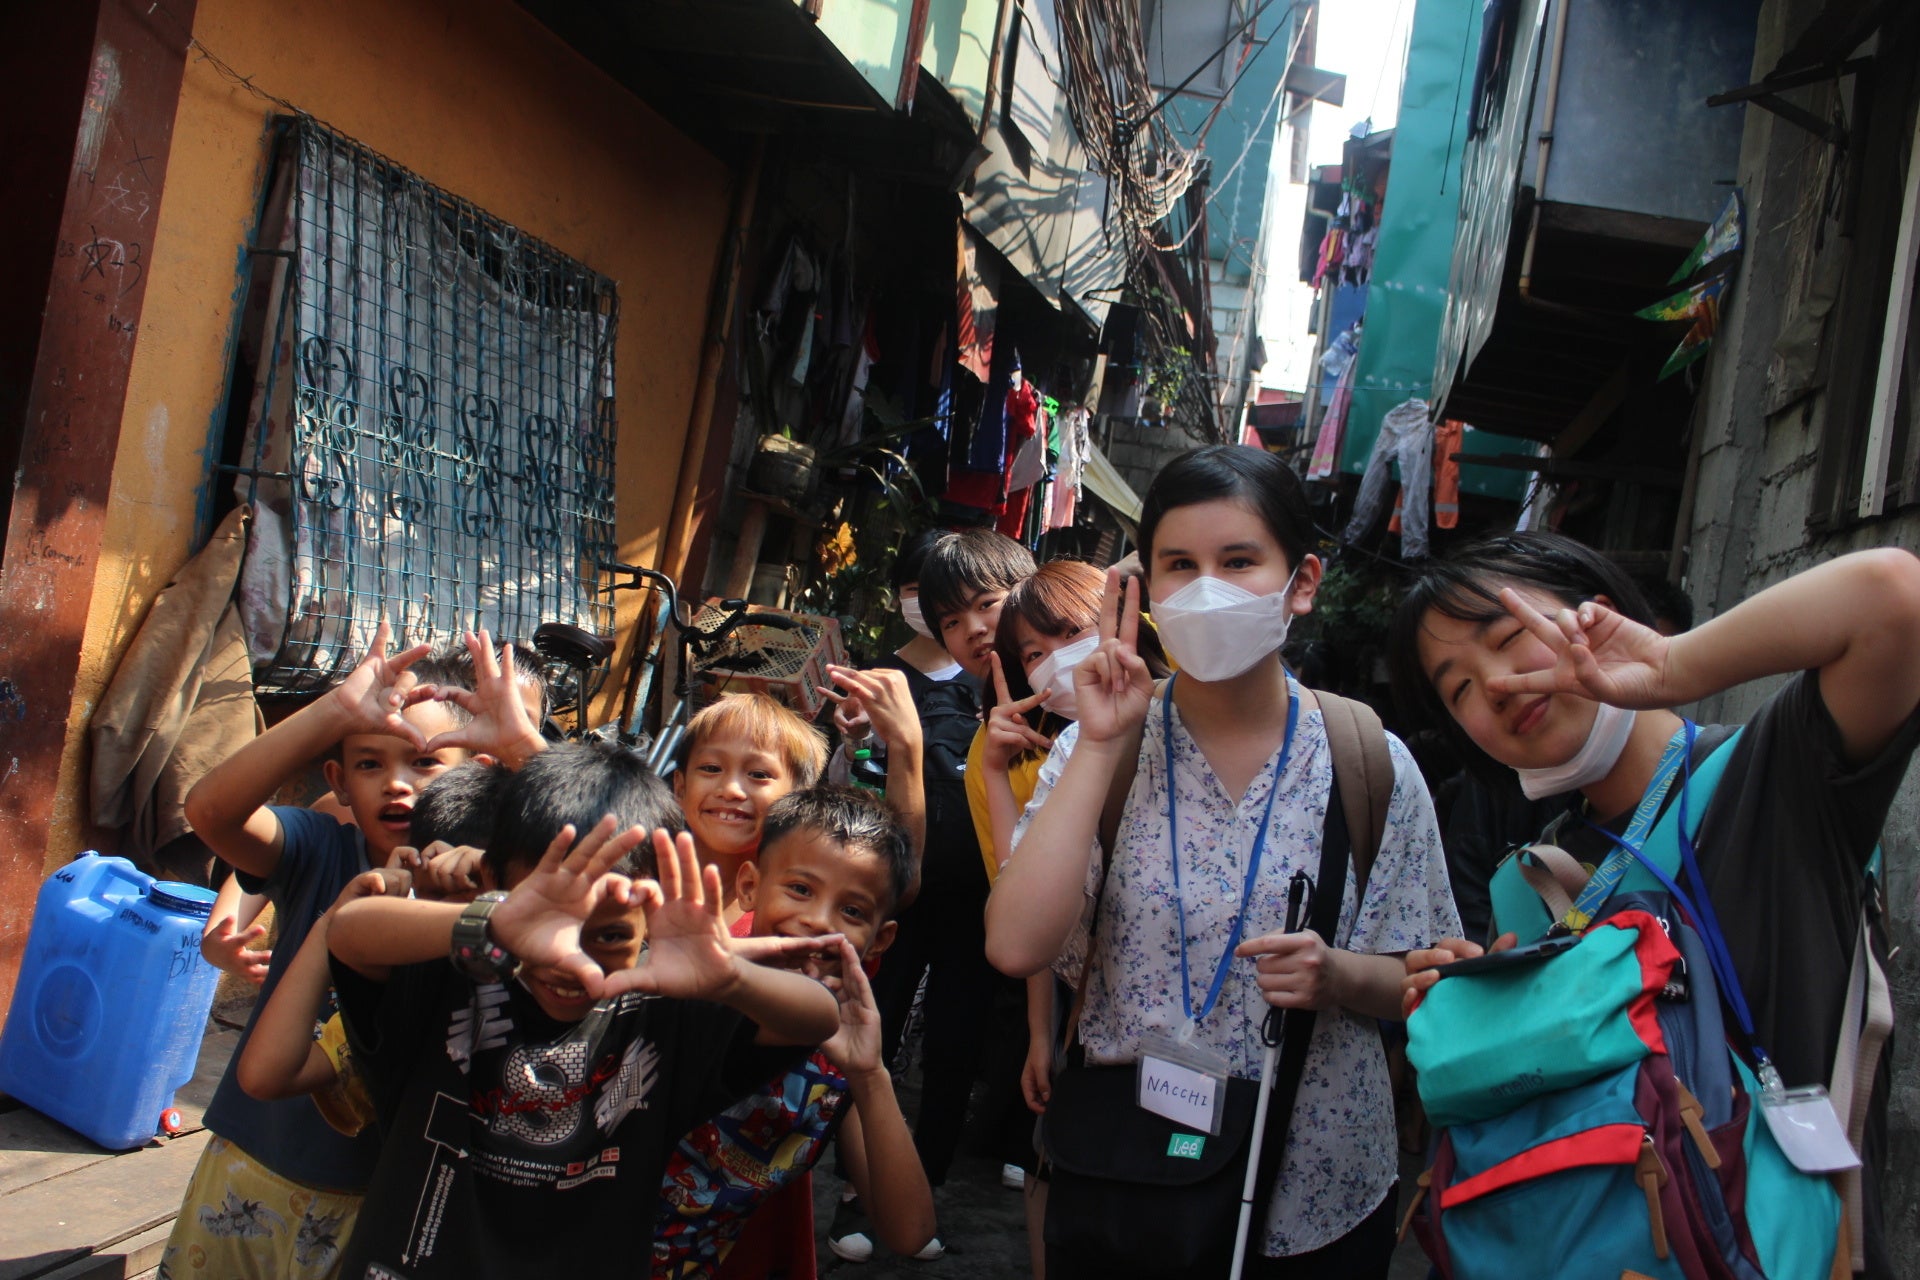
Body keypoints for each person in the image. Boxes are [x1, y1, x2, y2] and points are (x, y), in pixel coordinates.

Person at [1386, 531, 1920, 1279]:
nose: (1497, 686)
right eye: (1461, 689)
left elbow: (1895, 597)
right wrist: (1466, 1017)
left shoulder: (1777, 773)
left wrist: (1670, 665)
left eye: (1510, 639)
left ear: (1598, 618)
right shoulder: (1532, 882)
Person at [986, 445, 1460, 1279]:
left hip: (1314, 1190)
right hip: (1127, 1172)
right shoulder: (1101, 750)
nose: (1206, 589)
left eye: (1239, 561)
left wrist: (1339, 976)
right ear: (1144, 592)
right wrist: (1099, 740)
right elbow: (1017, 946)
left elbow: (1424, 981)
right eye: (1179, 565)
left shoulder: (1366, 762)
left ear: (1301, 582)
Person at [324, 740, 839, 1279]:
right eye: (550, 922)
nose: (572, 960)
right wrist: (494, 924)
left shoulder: (664, 1009)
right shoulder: (452, 972)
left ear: (652, 916)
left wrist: (730, 978)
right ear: (497, 885)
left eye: (610, 935)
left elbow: (819, 1016)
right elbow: (349, 933)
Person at [160, 625, 473, 1280]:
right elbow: (211, 811)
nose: (396, 785)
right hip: (252, 1154)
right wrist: (333, 711)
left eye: (423, 762)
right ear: (337, 778)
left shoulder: (479, 890)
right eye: (368, 764)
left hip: (373, 1193)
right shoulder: (319, 850)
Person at [972, 557, 1168, 1277]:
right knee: (1059, 1180)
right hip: (1095, 1048)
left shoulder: (1181, 729)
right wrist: (1041, 1034)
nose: (1054, 662)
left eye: (1068, 633)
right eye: (1033, 653)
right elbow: (1020, 912)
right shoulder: (1054, 754)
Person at [655, 786, 938, 1277]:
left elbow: (909, 1232)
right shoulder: (699, 990)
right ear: (749, 886)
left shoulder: (837, 1053)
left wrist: (869, 1075)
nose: (817, 922)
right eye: (800, 889)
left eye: (852, 911)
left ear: (881, 939)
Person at [860, 530, 1034, 1212]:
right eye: (950, 621)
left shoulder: (1057, 692)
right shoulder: (923, 684)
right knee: (879, 1023)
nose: (972, 630)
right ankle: (863, 1176)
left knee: (958, 1044)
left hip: (990, 906)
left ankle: (923, 1187)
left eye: (985, 606)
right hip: (914, 890)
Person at [672, 693, 829, 924]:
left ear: (797, 800)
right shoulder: (640, 884)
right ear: (680, 787)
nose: (731, 790)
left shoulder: (788, 919)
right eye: (711, 768)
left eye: (758, 774)